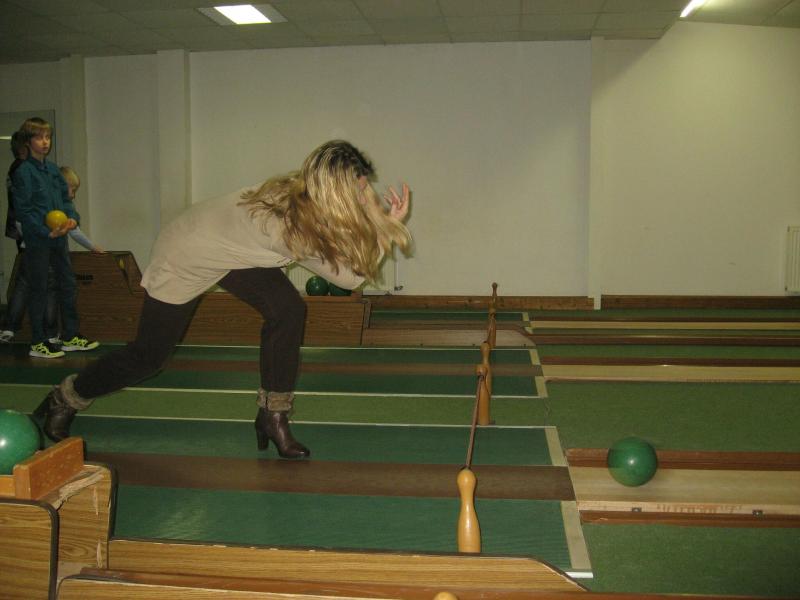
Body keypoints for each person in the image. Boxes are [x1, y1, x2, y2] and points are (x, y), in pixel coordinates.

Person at [35, 140, 412, 459]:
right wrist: (387, 225)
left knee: (288, 310)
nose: (367, 194)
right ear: (335, 192)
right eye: (360, 189)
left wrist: (376, 217)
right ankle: (64, 398)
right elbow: (351, 277)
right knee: (148, 357)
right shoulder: (292, 228)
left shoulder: (304, 193)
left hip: (231, 248)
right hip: (186, 252)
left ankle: (273, 416)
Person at [9, 118, 99, 358]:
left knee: (68, 285)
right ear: (28, 141)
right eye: (39, 137)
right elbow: (24, 211)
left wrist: (72, 219)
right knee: (39, 289)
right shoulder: (23, 172)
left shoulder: (53, 170)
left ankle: (70, 336)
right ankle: (38, 342)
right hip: (39, 242)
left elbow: (66, 201)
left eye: (48, 137)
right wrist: (45, 231)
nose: (45, 142)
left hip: (59, 240)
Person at [1, 164, 105, 346]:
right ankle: (43, 333)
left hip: (35, 251)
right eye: (72, 189)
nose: (73, 194)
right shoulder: (51, 205)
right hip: (39, 252)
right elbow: (25, 223)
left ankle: (14, 328)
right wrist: (92, 246)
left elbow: (23, 223)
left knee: (30, 287)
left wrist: (92, 246)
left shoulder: (49, 204)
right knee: (44, 289)